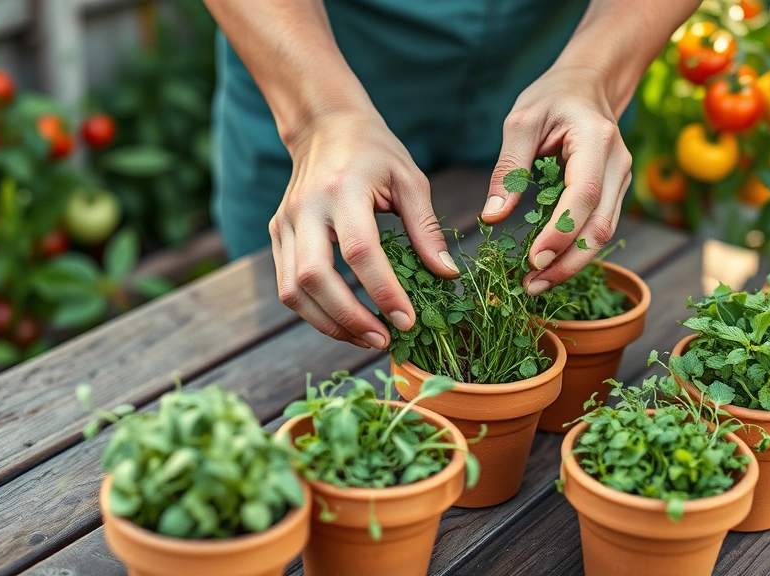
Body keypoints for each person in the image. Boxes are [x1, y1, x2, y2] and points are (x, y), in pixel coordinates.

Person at [203, 0, 699, 350]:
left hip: (557, 65)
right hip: (307, 61)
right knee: (285, 350)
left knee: (540, 293)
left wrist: (595, 71)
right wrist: (318, 116)